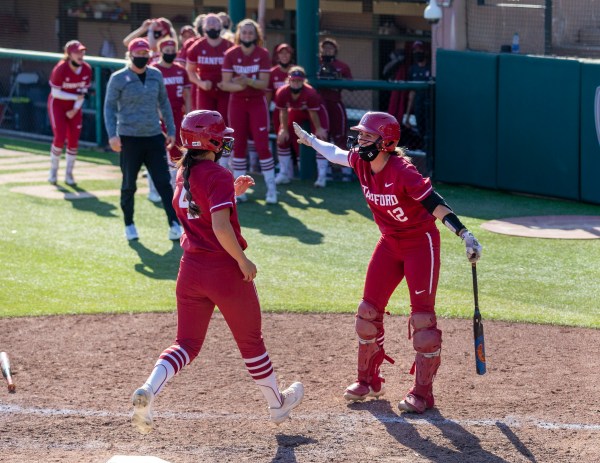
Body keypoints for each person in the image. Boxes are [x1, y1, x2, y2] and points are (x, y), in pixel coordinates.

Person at [293, 112, 482, 414]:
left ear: (386, 142)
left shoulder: (403, 171)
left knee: (423, 322)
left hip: (421, 245)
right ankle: (368, 380)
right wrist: (311, 140)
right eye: (361, 135)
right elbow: (336, 154)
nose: (361, 141)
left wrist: (465, 234)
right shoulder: (361, 162)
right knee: (367, 313)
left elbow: (433, 203)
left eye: (368, 136)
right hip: (389, 243)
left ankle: (422, 393)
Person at [130, 110, 304, 434]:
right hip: (223, 271)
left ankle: (149, 390)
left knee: (185, 344)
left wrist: (231, 194)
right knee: (252, 343)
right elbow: (220, 226)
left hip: (190, 270)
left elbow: (197, 208)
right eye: (220, 134)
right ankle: (277, 405)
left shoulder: (185, 171)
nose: (225, 138)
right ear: (210, 140)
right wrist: (242, 260)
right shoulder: (217, 174)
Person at [103, 38, 182, 242]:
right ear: (130, 55)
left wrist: (171, 130)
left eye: (145, 54)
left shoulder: (156, 75)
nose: (141, 57)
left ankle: (174, 223)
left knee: (164, 182)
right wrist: (112, 134)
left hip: (154, 136)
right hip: (129, 138)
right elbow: (109, 107)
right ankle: (129, 224)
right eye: (138, 54)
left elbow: (164, 103)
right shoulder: (119, 78)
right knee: (129, 184)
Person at [219, 19, 277, 204]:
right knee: (238, 145)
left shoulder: (263, 54)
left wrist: (245, 81)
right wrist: (248, 83)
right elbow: (226, 84)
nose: (247, 36)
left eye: (250, 32)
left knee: (262, 145)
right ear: (238, 34)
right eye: (244, 32)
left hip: (257, 103)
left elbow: (264, 84)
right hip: (237, 103)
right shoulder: (230, 54)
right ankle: (239, 191)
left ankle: (272, 190)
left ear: (256, 35)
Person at [274, 66, 329, 187]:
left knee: (321, 139)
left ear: (303, 81)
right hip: (295, 111)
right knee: (282, 138)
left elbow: (313, 113)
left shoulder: (310, 93)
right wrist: (283, 129)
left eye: (299, 80)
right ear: (288, 80)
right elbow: (283, 111)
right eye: (293, 80)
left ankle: (322, 176)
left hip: (316, 113)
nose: (295, 83)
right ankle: (284, 174)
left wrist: (319, 128)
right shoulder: (282, 92)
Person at [47, 40, 92, 186]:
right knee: (59, 137)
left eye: (82, 51)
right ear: (69, 54)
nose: (81, 54)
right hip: (58, 105)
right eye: (77, 52)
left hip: (74, 107)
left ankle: (69, 173)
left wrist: (75, 108)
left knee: (73, 140)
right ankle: (53, 170)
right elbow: (56, 93)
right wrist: (74, 98)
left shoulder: (86, 69)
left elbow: (83, 92)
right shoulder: (61, 68)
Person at [151, 38, 192, 190]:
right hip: (159, 114)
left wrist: (189, 115)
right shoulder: (154, 69)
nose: (170, 53)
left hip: (177, 114)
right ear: (161, 52)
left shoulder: (181, 70)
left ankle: (177, 186)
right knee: (157, 152)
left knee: (178, 151)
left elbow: (188, 95)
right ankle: (154, 188)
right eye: (166, 51)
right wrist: (157, 111)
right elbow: (149, 95)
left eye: (172, 50)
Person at [317, 37, 354, 182]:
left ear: (335, 50)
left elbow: (351, 86)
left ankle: (346, 171)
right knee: (322, 137)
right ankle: (324, 172)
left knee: (340, 137)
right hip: (319, 104)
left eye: (330, 48)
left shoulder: (341, 66)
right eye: (325, 48)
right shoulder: (316, 64)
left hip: (335, 103)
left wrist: (338, 79)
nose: (327, 50)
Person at [186, 14, 232, 117]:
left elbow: (237, 70)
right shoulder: (196, 47)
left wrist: (229, 83)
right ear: (203, 28)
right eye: (209, 22)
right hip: (205, 90)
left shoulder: (230, 46)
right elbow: (190, 71)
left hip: (225, 91)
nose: (212, 25)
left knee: (225, 122)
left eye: (215, 22)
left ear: (221, 26)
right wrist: (200, 82)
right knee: (205, 122)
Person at [403, 41, 432, 151]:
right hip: (418, 105)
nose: (417, 53)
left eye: (419, 50)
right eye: (415, 51)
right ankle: (424, 149)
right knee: (421, 129)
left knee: (431, 129)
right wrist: (407, 116)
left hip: (430, 105)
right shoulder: (412, 69)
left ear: (425, 51)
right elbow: (412, 93)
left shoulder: (431, 68)